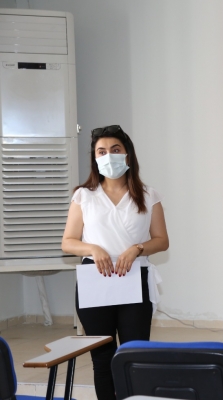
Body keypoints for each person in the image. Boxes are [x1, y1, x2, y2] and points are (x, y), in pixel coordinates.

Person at [61, 125, 169, 400]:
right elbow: (68, 242)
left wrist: (137, 248)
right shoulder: (83, 195)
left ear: (127, 155)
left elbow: (161, 240)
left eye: (115, 149)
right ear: (95, 158)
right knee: (102, 358)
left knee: (135, 355)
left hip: (134, 279)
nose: (108, 156)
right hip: (95, 281)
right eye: (102, 151)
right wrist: (92, 248)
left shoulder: (148, 195)